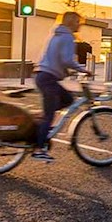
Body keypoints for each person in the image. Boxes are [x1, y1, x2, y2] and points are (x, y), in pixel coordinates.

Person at [30, 10, 88, 160]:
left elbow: (55, 57)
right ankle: (39, 149)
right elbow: (67, 59)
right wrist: (83, 69)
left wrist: (64, 72)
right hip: (48, 78)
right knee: (50, 114)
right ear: (70, 22)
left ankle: (41, 123)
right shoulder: (68, 36)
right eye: (77, 22)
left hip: (42, 75)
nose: (79, 25)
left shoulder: (55, 33)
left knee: (68, 100)